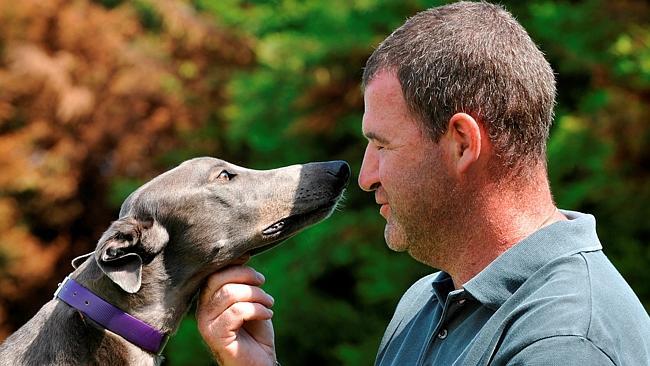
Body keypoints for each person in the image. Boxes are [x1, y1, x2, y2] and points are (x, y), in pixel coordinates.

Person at [195, 1, 650, 365]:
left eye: (383, 145)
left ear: (461, 143)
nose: (367, 176)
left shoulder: (565, 342)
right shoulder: (427, 302)